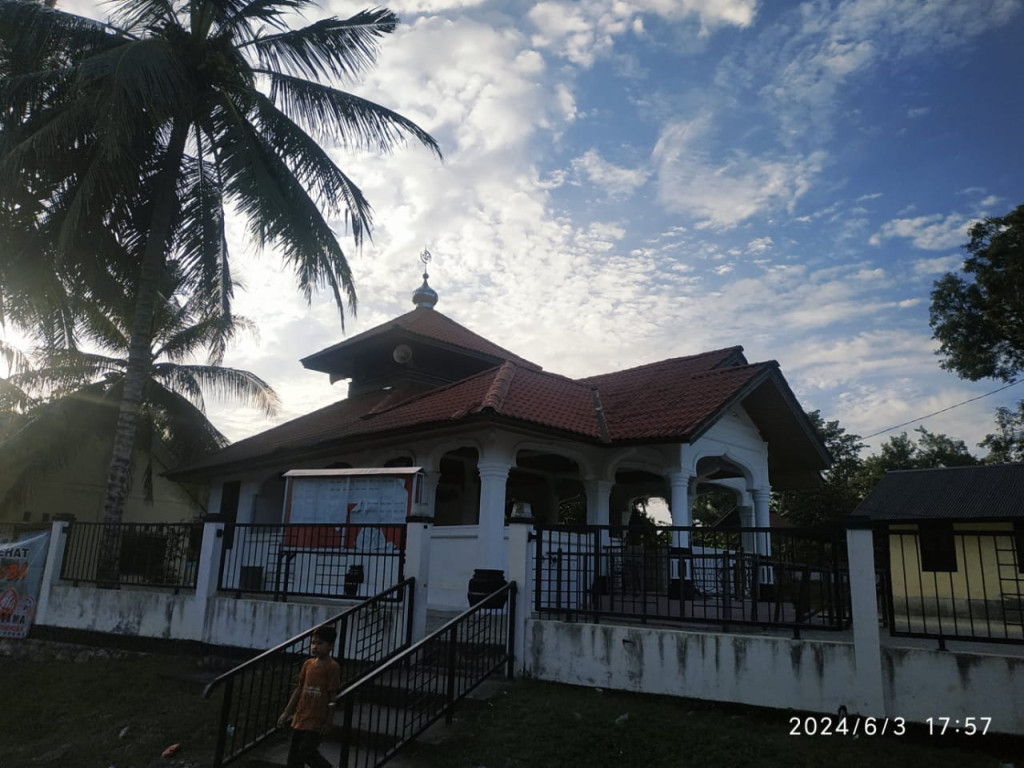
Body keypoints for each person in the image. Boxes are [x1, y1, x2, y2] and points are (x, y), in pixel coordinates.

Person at [278, 624, 343, 768]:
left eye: (320, 643)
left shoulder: (332, 667)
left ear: (330, 645)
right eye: (313, 643)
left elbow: (332, 696)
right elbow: (299, 689)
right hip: (301, 717)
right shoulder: (308, 664)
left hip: (316, 720)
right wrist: (287, 712)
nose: (315, 647)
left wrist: (328, 721)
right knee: (294, 758)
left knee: (307, 752)